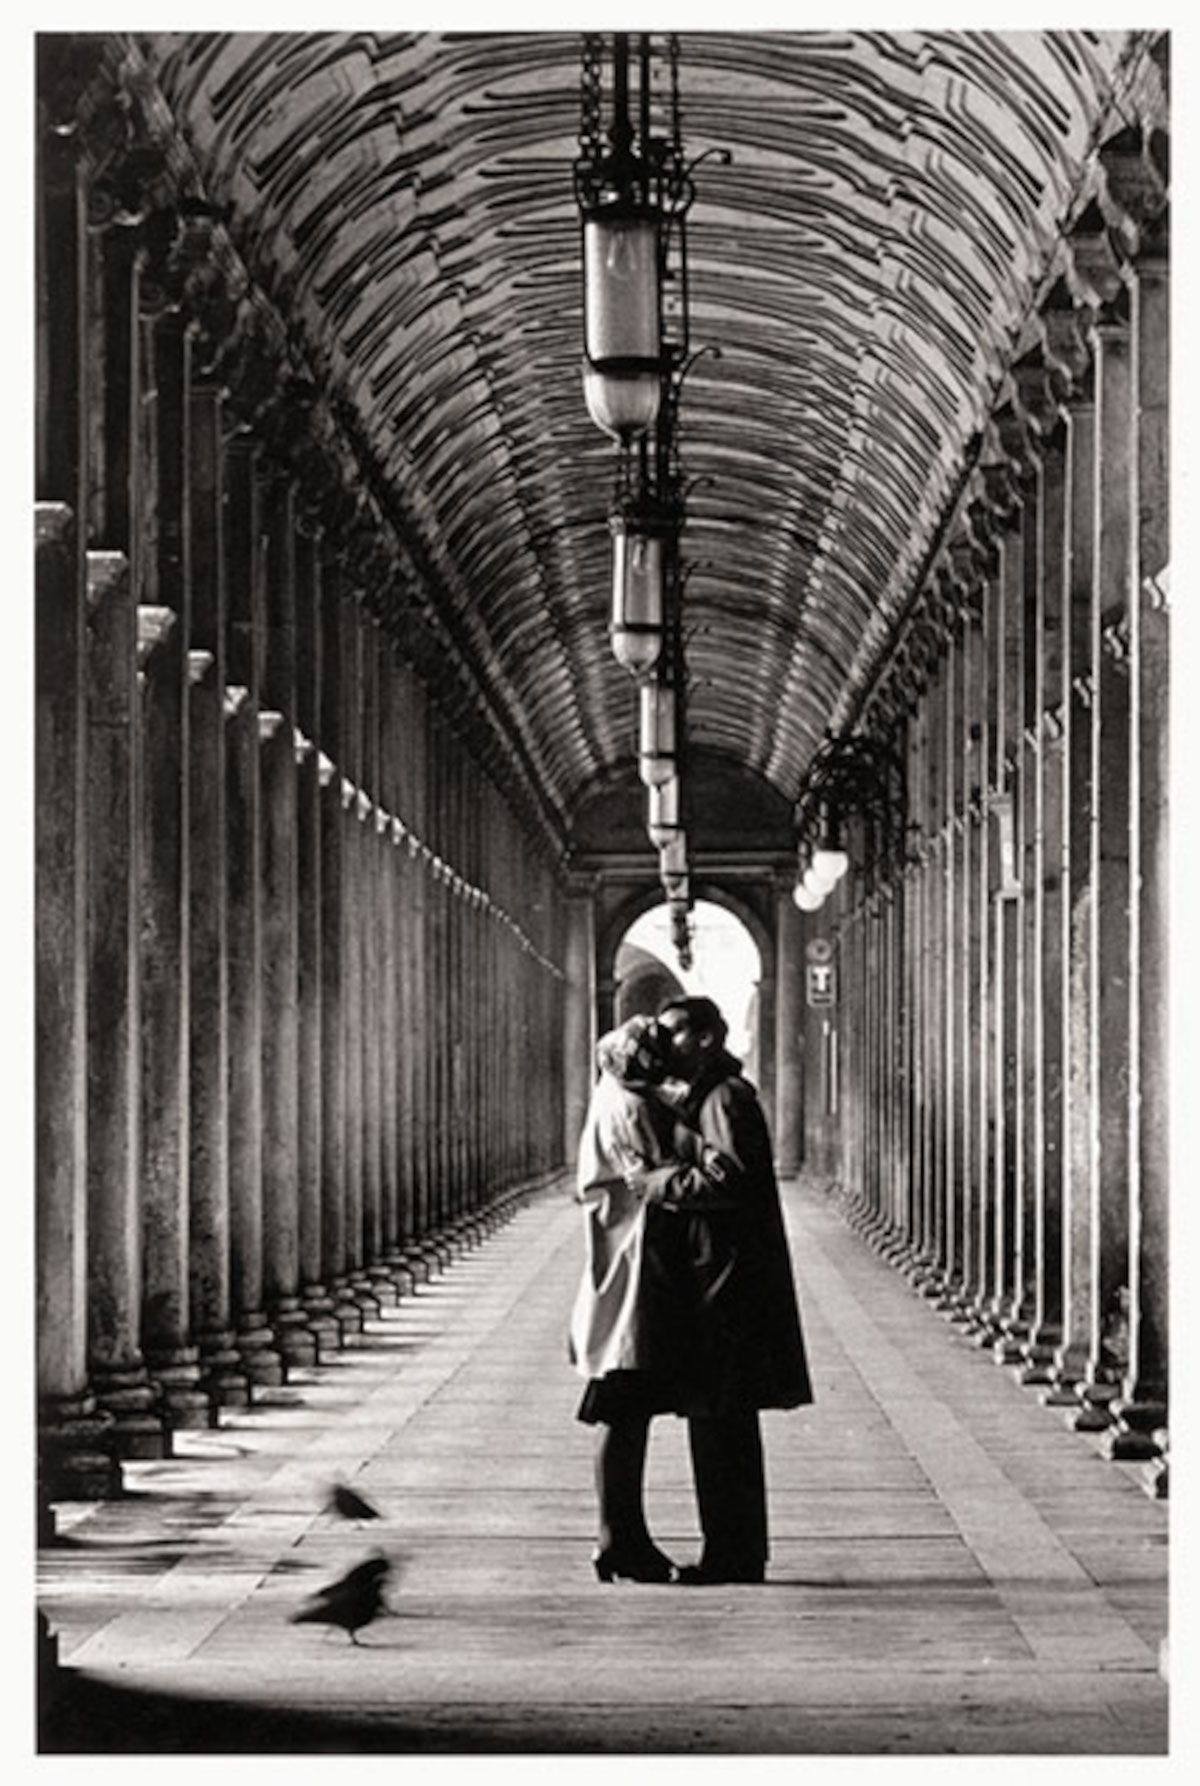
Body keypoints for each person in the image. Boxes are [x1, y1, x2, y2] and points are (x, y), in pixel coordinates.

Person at [628, 994, 813, 1585]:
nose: (663, 1043)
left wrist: (655, 1181)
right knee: (720, 1421)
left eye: (674, 1032)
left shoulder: (726, 1098)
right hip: (721, 1274)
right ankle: (733, 1551)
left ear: (708, 1036)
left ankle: (732, 1555)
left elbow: (729, 1177)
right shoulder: (710, 1095)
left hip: (728, 1284)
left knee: (721, 1422)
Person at [568, 1014, 736, 1584]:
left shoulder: (612, 1090)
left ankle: (621, 1536)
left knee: (624, 1401)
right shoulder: (633, 1107)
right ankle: (618, 1538)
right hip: (637, 1265)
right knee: (624, 1401)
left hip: (627, 1261)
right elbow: (662, 1175)